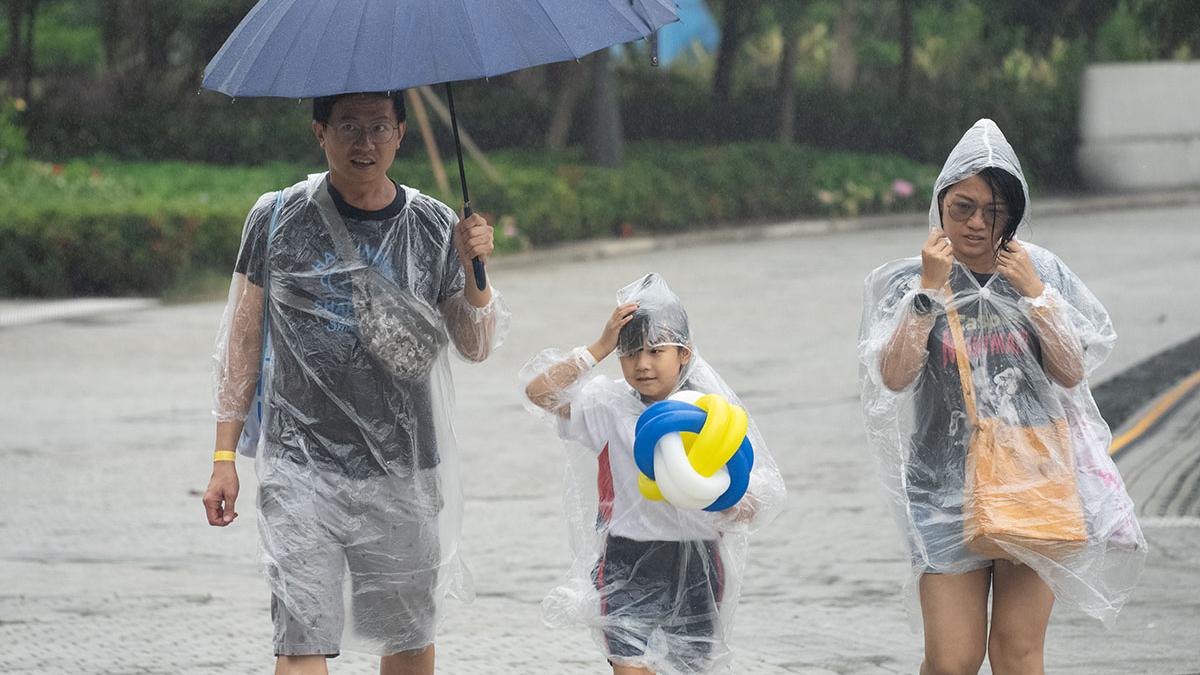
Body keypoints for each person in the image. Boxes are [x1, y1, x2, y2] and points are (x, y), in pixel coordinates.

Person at [201, 90, 509, 675]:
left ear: (400, 134)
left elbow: (476, 344)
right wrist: (224, 456)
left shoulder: (434, 224)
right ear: (320, 133)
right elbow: (240, 345)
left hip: (404, 471)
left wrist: (477, 275)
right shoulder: (276, 217)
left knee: (407, 639)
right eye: (348, 126)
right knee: (298, 639)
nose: (364, 143)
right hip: (299, 468)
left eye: (378, 127)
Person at [858, 119, 1145, 675]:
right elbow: (893, 378)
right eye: (962, 206)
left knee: (1015, 655)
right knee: (951, 661)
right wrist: (927, 293)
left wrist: (1037, 296)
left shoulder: (1042, 271)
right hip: (941, 487)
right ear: (939, 204)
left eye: (993, 211)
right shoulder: (906, 281)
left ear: (1013, 212)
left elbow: (1069, 371)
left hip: (1033, 480)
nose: (975, 223)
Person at [520, 273, 785, 675]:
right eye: (630, 353)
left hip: (696, 561)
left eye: (655, 351)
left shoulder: (709, 413)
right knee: (630, 668)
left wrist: (738, 503)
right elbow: (539, 393)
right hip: (627, 557)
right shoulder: (609, 405)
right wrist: (598, 348)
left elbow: (756, 485)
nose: (642, 364)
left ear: (684, 353)